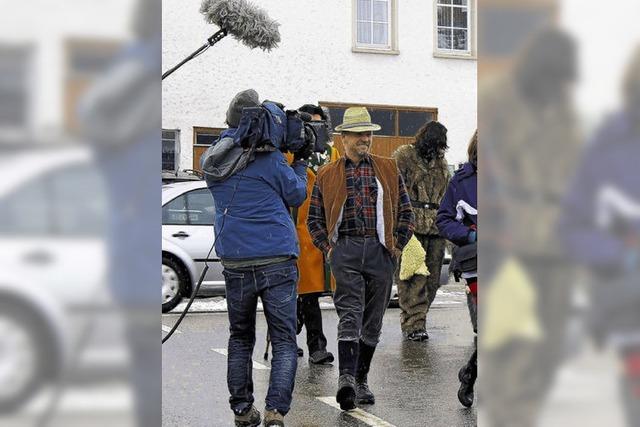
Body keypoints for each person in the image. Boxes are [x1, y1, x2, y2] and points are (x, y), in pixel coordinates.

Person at [204, 89, 308, 427]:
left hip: (235, 261)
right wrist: (302, 161)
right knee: (283, 339)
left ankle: (242, 411)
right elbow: (296, 193)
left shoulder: (214, 161)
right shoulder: (269, 159)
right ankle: (276, 411)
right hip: (276, 258)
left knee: (240, 337)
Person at [307, 106, 414, 410]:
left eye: (368, 133)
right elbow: (315, 220)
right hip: (346, 251)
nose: (365, 139)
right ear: (343, 138)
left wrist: (397, 245)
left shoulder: (388, 168)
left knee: (373, 322)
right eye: (358, 134)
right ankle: (346, 380)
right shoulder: (327, 174)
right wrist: (329, 249)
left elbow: (406, 212)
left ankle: (361, 379)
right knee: (350, 315)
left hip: (380, 251)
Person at [288, 104, 338, 365]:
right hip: (300, 229)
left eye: (319, 124)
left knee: (314, 292)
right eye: (310, 124)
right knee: (305, 292)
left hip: (326, 231)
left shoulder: (332, 153)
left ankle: (311, 340)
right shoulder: (291, 152)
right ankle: (310, 344)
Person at [392, 121, 451, 341]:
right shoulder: (404, 156)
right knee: (412, 277)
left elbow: (446, 194)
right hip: (411, 225)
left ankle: (419, 319)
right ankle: (413, 324)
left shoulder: (442, 163)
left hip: (436, 228)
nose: (439, 150)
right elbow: (393, 189)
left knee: (432, 280)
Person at [437, 130, 478, 407]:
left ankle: (470, 372)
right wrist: (470, 235)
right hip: (478, 263)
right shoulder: (461, 182)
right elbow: (444, 219)